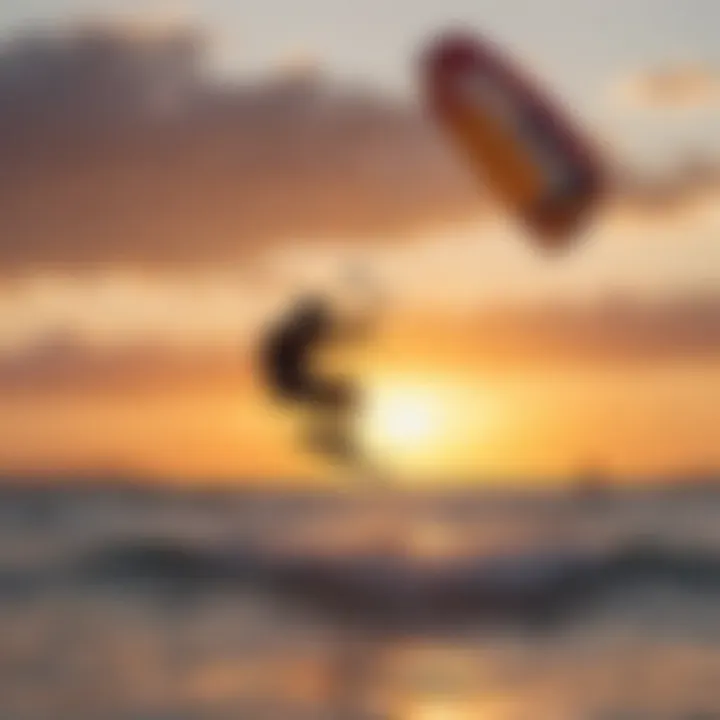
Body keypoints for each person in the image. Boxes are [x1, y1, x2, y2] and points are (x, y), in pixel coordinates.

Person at [260, 272, 379, 466]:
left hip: (293, 382)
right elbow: (343, 334)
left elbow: (343, 334)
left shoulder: (294, 331)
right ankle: (327, 439)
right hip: (291, 384)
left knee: (347, 394)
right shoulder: (295, 333)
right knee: (347, 395)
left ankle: (330, 438)